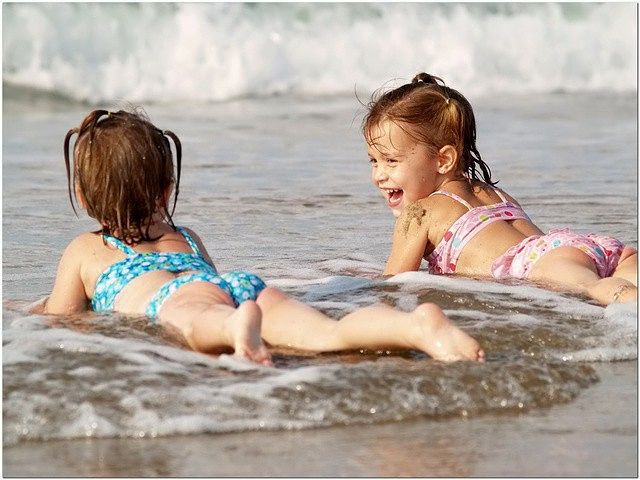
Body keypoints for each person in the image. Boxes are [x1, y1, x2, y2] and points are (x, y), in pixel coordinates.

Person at [32, 109, 484, 366]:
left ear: (82, 194)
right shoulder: (185, 236)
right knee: (329, 334)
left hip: (183, 304)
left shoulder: (86, 249)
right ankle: (416, 326)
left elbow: (64, 317)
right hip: (238, 287)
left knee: (195, 324)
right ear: (167, 188)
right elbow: (208, 283)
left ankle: (233, 329)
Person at [363, 73, 637, 306]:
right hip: (580, 247)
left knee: (600, 290)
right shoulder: (492, 194)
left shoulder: (420, 213)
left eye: (391, 161)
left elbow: (394, 285)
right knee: (619, 277)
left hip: (539, 265)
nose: (379, 175)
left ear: (443, 160)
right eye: (374, 161)